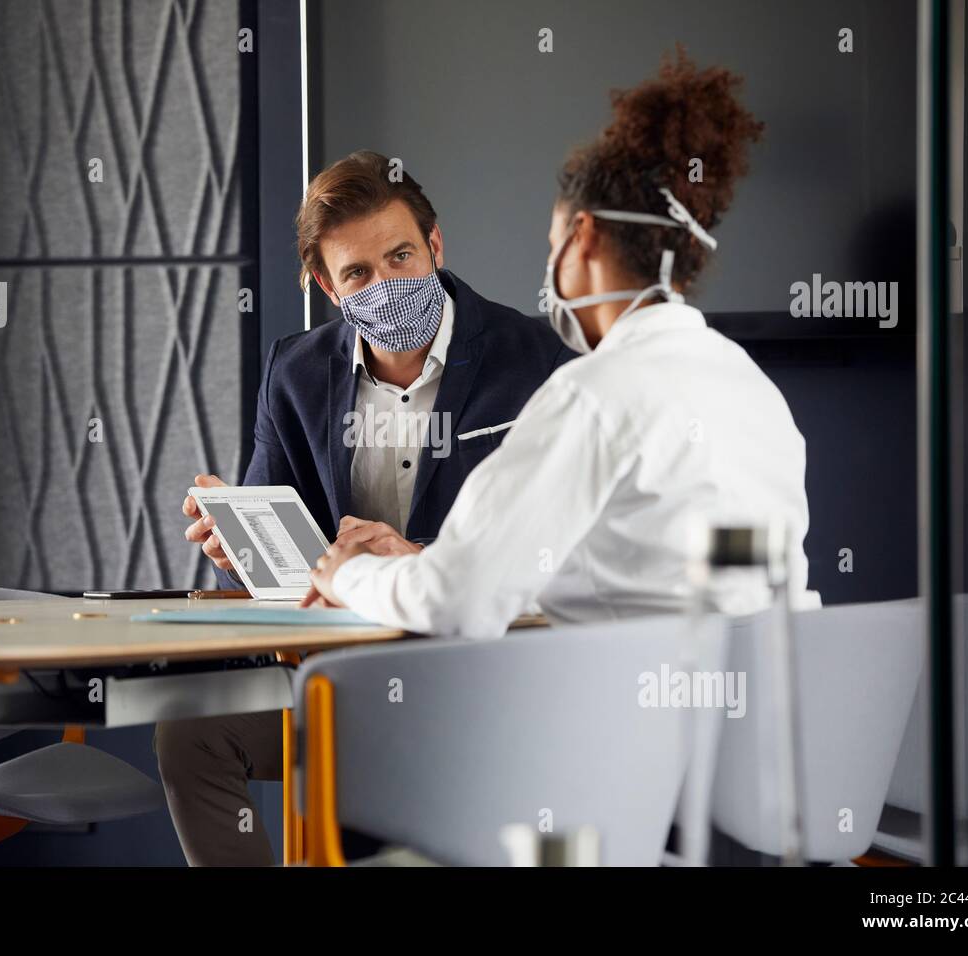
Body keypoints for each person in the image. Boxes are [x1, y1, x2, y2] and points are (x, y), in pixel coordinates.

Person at [155, 150, 575, 865]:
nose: (387, 284)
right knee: (192, 733)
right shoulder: (296, 372)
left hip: (482, 679)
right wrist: (239, 551)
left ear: (435, 246)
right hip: (340, 680)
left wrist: (427, 565)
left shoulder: (535, 358)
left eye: (402, 256)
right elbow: (276, 580)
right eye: (358, 273)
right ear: (326, 284)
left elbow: (567, 555)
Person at [308, 50, 819, 636]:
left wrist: (348, 573)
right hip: (745, 714)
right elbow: (663, 575)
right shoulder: (752, 390)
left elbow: (455, 602)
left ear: (583, 238)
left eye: (554, 244)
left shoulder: (591, 395)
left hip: (610, 717)